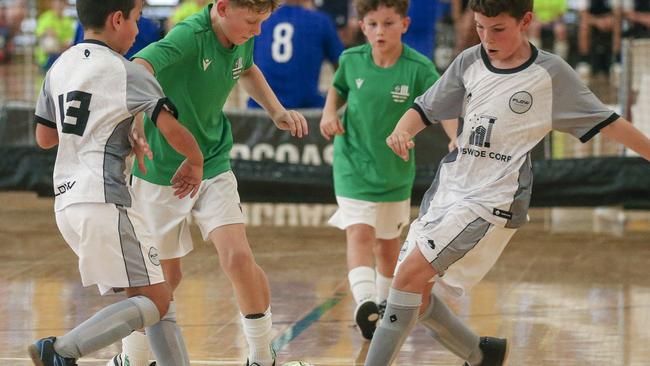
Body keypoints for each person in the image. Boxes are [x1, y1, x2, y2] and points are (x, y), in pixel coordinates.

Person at [363, 0, 650, 365]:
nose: (487, 38)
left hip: (492, 201)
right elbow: (425, 108)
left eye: (497, 29)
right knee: (415, 296)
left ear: (525, 21)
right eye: (480, 27)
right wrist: (401, 131)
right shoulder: (469, 60)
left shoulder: (551, 74)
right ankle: (482, 354)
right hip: (448, 189)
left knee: (405, 279)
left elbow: (609, 122)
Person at [108, 1, 309, 365]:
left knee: (237, 257)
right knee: (163, 278)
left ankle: (263, 357)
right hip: (160, 172)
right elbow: (138, 66)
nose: (258, 31)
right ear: (222, 8)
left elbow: (245, 68)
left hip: (212, 163)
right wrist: (138, 118)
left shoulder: (241, 32)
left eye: (262, 22)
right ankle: (131, 359)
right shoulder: (189, 35)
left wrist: (276, 110)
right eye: (251, 21)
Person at [28, 0, 204, 365]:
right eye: (137, 20)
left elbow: (44, 137)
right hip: (105, 199)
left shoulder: (60, 65)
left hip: (67, 202)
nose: (139, 31)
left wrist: (102, 126)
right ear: (117, 18)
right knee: (156, 299)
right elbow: (169, 127)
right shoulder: (127, 71)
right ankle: (60, 351)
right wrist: (195, 159)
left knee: (155, 297)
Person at [319, 0, 440, 341]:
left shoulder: (419, 67)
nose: (380, 31)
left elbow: (441, 102)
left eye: (388, 23)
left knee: (388, 247)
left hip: (394, 171)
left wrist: (455, 138)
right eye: (372, 24)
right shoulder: (351, 59)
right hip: (352, 163)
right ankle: (365, 304)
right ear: (362, 25)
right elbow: (338, 89)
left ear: (405, 24)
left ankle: (384, 309)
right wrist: (329, 114)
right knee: (359, 232)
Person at [248, 0, 344, 109]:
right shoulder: (321, 21)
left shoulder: (263, 19)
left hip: (260, 108)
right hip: (305, 110)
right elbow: (342, 69)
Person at [73, 1, 163, 59]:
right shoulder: (149, 26)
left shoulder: (61, 66)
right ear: (117, 20)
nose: (137, 31)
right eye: (136, 20)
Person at [35, 0, 75, 70]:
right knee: (49, 41)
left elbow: (70, 39)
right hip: (48, 56)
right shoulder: (45, 17)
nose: (58, 5)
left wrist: (60, 42)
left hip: (64, 53)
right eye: (56, 2)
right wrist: (46, 32)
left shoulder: (68, 21)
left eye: (61, 2)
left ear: (65, 5)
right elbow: (39, 34)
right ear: (52, 3)